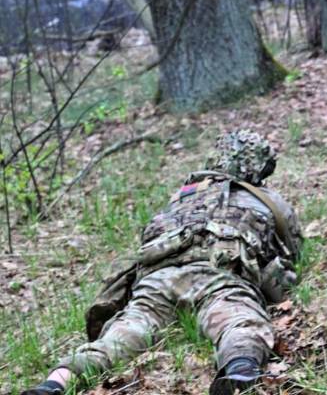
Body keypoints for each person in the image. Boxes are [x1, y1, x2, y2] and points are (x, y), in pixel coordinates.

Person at [17, 130, 302, 395]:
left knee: (119, 339)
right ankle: (240, 373)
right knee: (238, 323)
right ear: (261, 169)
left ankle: (55, 383)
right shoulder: (265, 198)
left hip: (157, 278)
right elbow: (293, 245)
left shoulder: (182, 196)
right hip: (217, 275)